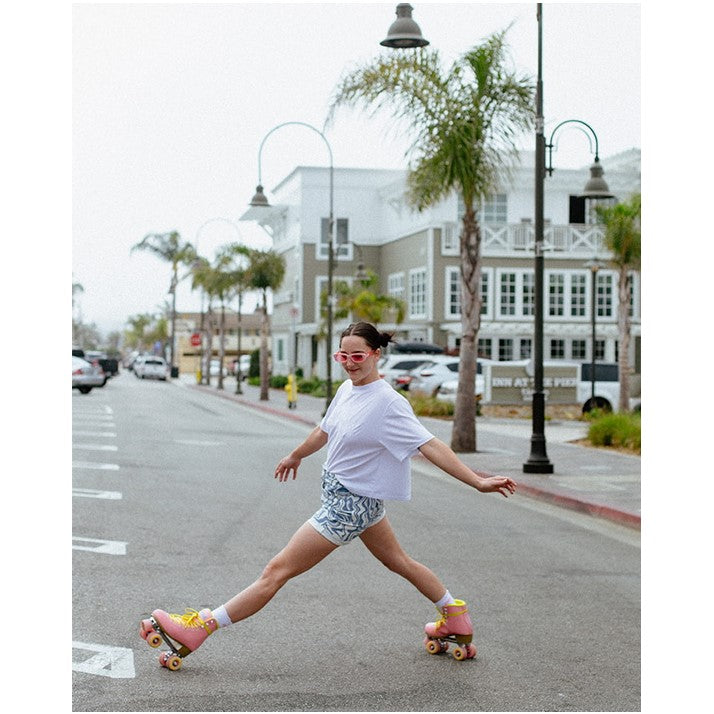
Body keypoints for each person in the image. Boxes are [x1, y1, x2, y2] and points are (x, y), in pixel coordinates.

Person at [141, 322, 517, 667]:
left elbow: (430, 445)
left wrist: (477, 481)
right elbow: (324, 431)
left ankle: (199, 627)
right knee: (399, 561)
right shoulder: (347, 390)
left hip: (349, 505)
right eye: (344, 356)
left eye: (358, 356)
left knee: (276, 571)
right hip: (355, 499)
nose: (350, 364)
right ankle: (455, 615)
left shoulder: (388, 403)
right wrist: (296, 455)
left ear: (375, 355)